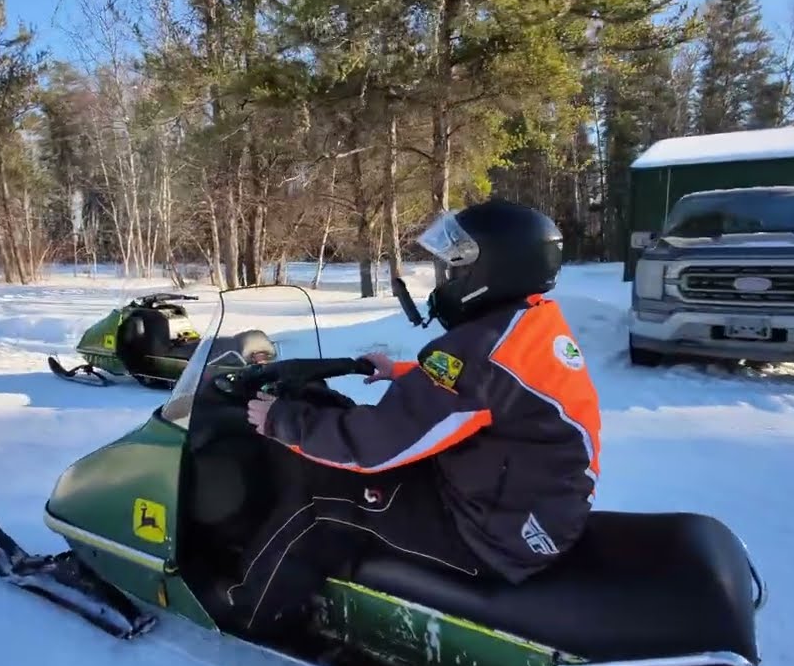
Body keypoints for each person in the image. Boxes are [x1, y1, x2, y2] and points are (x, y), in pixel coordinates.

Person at [211, 199, 603, 638]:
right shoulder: (527, 323)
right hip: (523, 508)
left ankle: (247, 619)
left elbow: (375, 446)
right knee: (351, 454)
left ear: (493, 268)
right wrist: (403, 373)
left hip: (495, 537)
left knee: (319, 507)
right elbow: (487, 391)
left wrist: (282, 421)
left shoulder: (481, 353)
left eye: (456, 267)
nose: (447, 277)